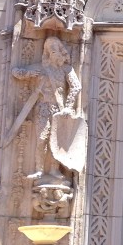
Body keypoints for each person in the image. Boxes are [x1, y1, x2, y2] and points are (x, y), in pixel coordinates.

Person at [12, 37, 81, 181]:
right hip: (43, 108)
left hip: (59, 109)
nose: (53, 51)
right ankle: (39, 170)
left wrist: (68, 107)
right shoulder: (41, 67)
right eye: (50, 48)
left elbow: (76, 86)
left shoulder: (66, 69)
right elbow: (16, 72)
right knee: (41, 138)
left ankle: (54, 169)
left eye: (55, 47)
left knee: (55, 140)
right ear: (47, 52)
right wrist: (29, 74)